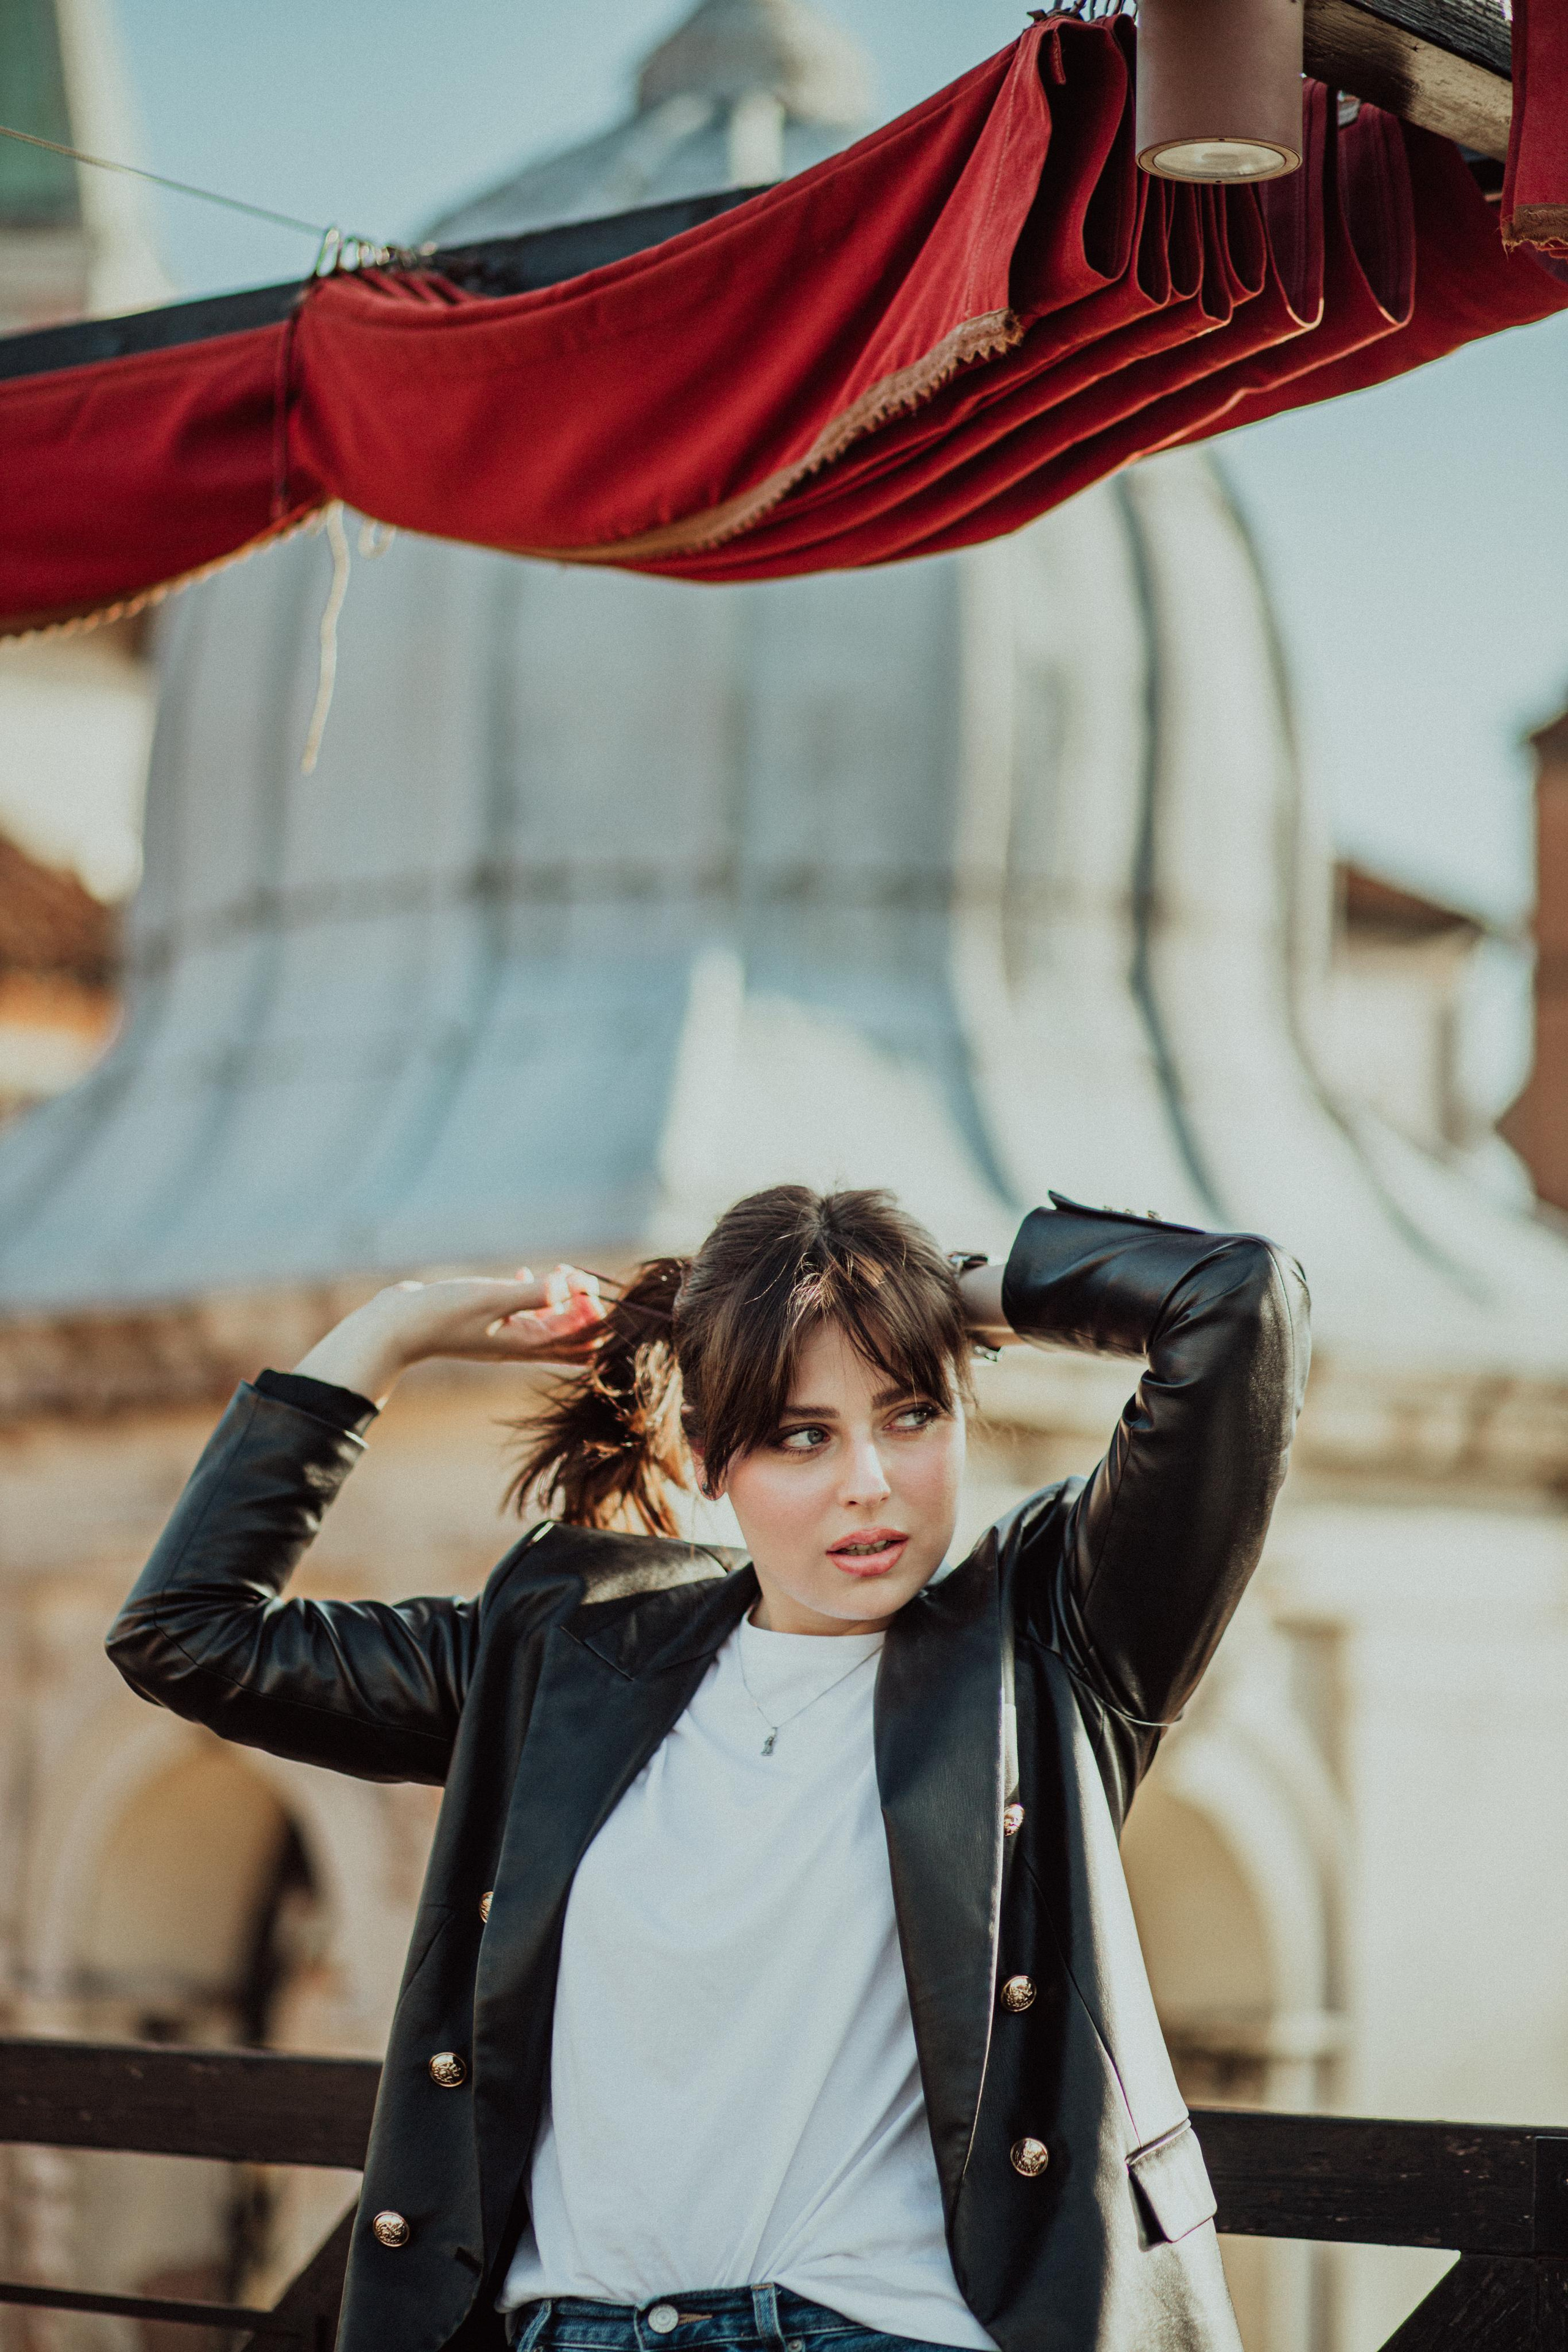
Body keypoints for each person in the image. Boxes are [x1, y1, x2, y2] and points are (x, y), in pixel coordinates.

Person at [108, 1183, 1309, 2352]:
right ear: (702, 1455)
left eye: (910, 1413)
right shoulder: (567, 1656)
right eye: (801, 1435)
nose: (867, 1483)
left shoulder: (1048, 1642)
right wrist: (394, 1330)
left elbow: (1234, 1304)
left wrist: (939, 1293)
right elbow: (188, 1637)